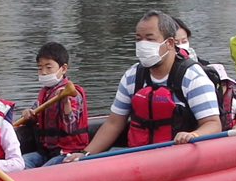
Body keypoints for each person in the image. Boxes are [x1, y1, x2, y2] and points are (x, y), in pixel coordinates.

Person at [69, 11, 223, 157]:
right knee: (60, 162)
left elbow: (213, 124)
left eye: (149, 39)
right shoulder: (133, 76)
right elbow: (114, 123)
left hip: (177, 155)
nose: (143, 45)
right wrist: (85, 154)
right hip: (139, 154)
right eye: (138, 39)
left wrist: (192, 135)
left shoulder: (192, 76)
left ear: (169, 43)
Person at [18, 42, 90, 167]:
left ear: (63, 68)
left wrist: (65, 102)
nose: (44, 72)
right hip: (46, 152)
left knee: (43, 172)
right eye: (40, 68)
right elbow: (36, 113)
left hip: (67, 153)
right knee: (20, 163)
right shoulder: (45, 93)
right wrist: (28, 115)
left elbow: (71, 128)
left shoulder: (73, 93)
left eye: (48, 67)